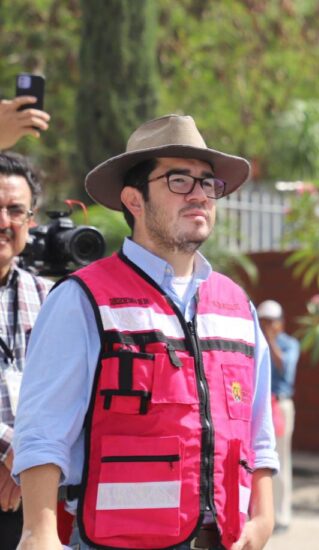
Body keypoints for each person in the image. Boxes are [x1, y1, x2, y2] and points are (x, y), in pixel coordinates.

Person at [12, 114, 279, 550]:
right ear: (134, 200)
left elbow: (259, 431)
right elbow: (43, 429)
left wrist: (264, 519)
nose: (199, 195)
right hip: (116, 541)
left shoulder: (238, 306)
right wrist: (38, 532)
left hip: (224, 540)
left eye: (207, 183)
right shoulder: (83, 299)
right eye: (179, 181)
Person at [0, 152, 53, 547]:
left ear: (30, 221)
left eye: (15, 210)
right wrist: (10, 449)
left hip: (31, 492)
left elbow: (67, 390)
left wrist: (21, 458)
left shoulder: (48, 296)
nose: (3, 222)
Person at [256, 299, 299, 534]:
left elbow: (285, 368)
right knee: (258, 461)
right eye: (263, 322)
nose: (266, 326)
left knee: (280, 460)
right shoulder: (254, 341)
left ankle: (282, 516)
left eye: (271, 322)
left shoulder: (290, 344)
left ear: (281, 323)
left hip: (280, 405)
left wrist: (269, 339)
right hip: (259, 404)